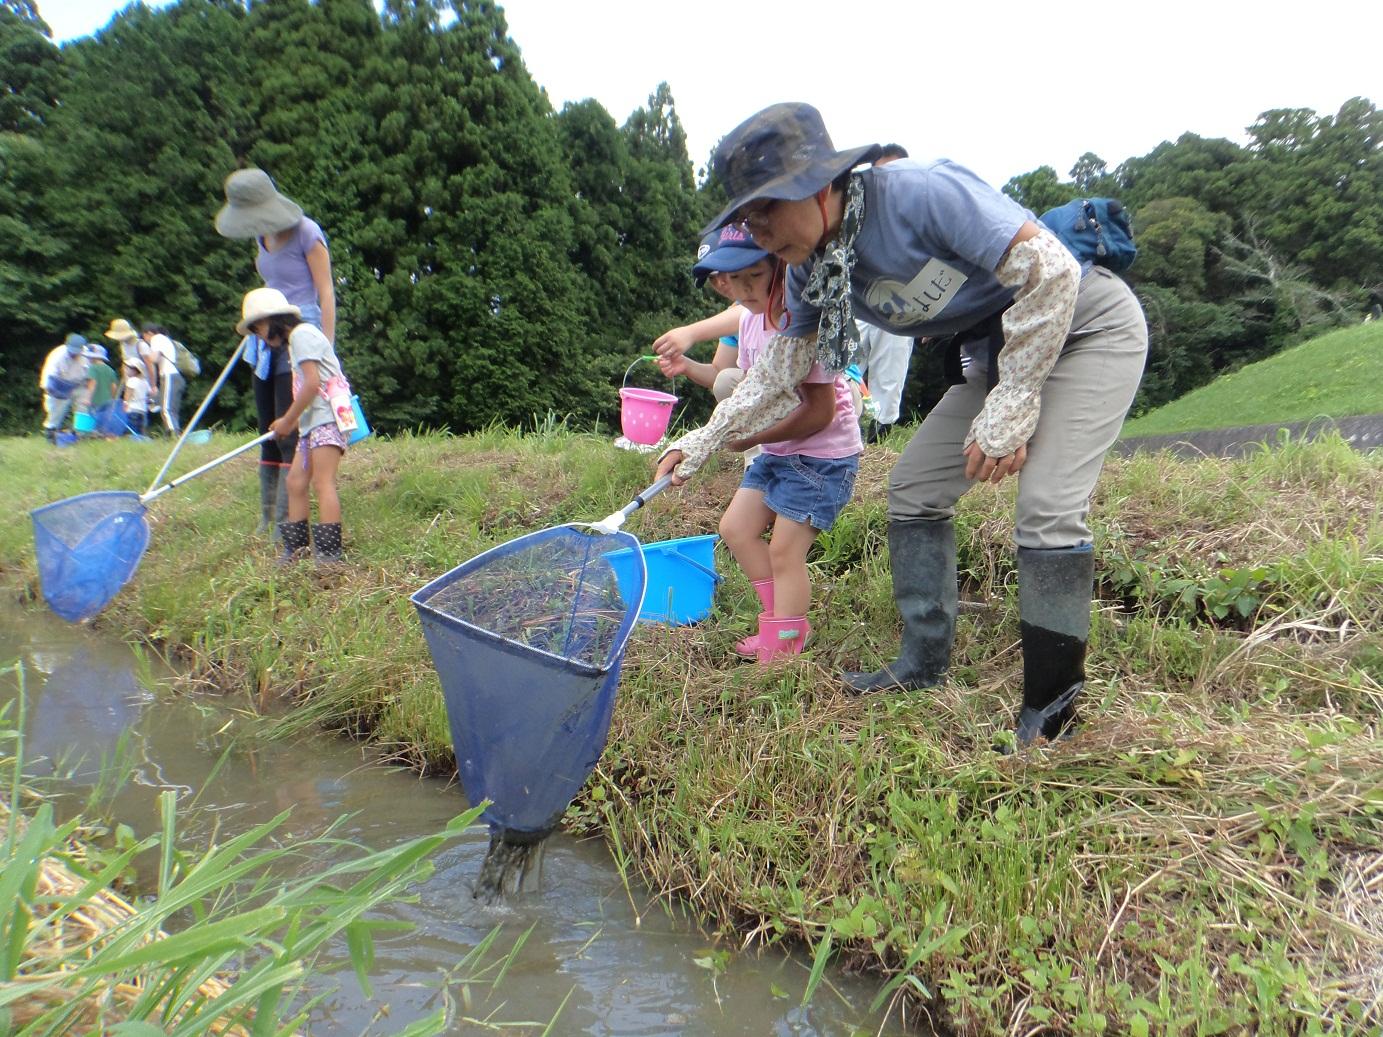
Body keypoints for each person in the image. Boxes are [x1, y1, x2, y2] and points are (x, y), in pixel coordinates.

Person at [655, 103, 1148, 749]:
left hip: (1085, 325)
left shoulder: (920, 193)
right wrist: (705, 437)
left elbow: (1049, 270)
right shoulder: (812, 269)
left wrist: (1016, 398)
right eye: (746, 217)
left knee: (1047, 506)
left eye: (766, 208)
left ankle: (1049, 710)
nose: (759, 230)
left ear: (818, 184)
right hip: (994, 352)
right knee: (913, 488)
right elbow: (781, 368)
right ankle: (921, 663)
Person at [661, 227, 861, 661]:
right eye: (736, 280)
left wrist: (751, 437)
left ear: (780, 264)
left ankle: (784, 647)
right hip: (778, 451)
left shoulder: (804, 321)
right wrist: (723, 437)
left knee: (785, 550)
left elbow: (820, 413)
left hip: (823, 457)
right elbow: (751, 390)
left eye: (757, 273)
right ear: (720, 284)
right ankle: (779, 620)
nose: (750, 288)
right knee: (735, 529)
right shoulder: (749, 323)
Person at [215, 168, 337, 538]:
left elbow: (326, 292)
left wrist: (327, 349)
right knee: (267, 424)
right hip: (264, 337)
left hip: (299, 334)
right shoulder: (260, 234)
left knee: (290, 426)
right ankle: (267, 515)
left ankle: (288, 520)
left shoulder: (306, 233)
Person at [237, 287, 349, 564]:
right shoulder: (295, 342)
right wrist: (291, 421)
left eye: (259, 327)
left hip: (328, 419)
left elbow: (312, 384)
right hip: (312, 422)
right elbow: (309, 387)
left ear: (274, 320)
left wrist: (288, 419)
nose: (260, 335)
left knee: (323, 482)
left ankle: (329, 554)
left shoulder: (302, 336)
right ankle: (296, 550)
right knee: (295, 480)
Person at [850, 144, 915, 438]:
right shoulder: (856, 210)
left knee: (890, 372)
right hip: (858, 301)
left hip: (902, 302)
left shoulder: (922, 211)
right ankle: (845, 429)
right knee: (841, 367)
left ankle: (879, 432)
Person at [39, 334, 90, 442]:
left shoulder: (87, 354)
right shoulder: (57, 355)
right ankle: (51, 432)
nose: (74, 354)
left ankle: (81, 434)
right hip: (59, 384)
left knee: (83, 408)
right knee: (56, 410)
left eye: (77, 351)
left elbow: (91, 375)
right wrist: (52, 394)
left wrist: (88, 394)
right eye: (72, 351)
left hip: (79, 384)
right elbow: (49, 378)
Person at [141, 324, 184, 435]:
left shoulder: (157, 338)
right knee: (172, 410)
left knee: (166, 409)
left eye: (144, 337)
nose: (145, 341)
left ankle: (173, 435)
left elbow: (154, 358)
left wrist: (147, 354)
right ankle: (174, 433)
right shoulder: (165, 339)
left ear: (149, 333)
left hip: (169, 376)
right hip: (175, 377)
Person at [81, 343, 120, 436]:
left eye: (89, 357)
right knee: (105, 421)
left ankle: (94, 436)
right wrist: (113, 400)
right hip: (108, 401)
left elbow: (92, 383)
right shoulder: (110, 370)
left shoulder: (93, 368)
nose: (88, 359)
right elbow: (114, 387)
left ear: (94, 357)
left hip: (95, 401)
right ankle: (104, 436)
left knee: (94, 421)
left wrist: (87, 399)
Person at [122, 361, 151, 437]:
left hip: (132, 409)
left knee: (131, 433)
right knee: (140, 433)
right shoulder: (145, 382)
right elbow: (149, 395)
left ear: (134, 370)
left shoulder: (131, 381)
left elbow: (127, 397)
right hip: (143, 411)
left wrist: (125, 406)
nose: (126, 370)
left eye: (128, 368)